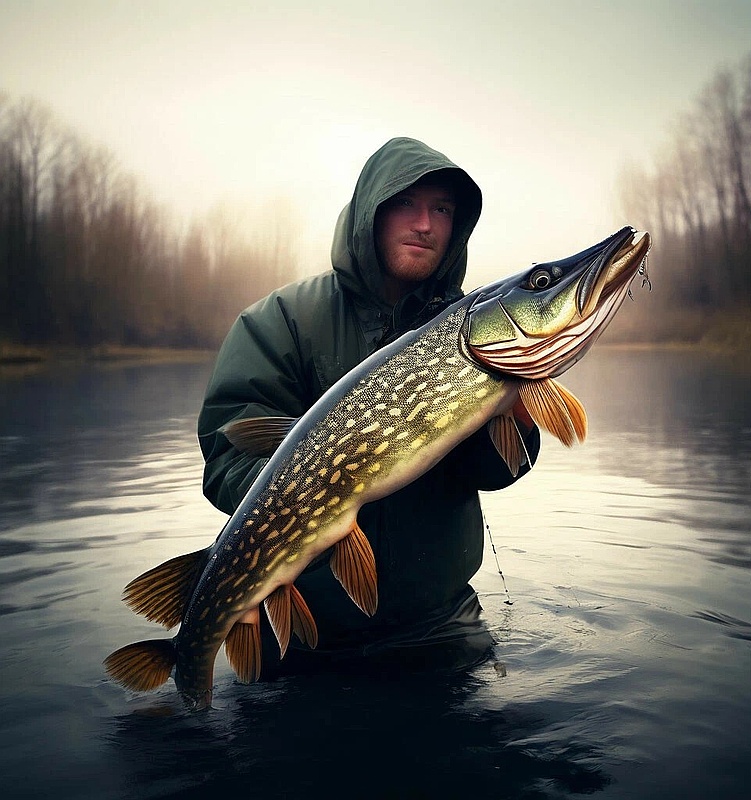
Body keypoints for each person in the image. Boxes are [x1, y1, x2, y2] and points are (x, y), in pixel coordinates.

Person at [197, 137, 541, 677]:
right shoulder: (281, 320)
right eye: (406, 203)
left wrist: (514, 401)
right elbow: (226, 457)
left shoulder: (472, 327)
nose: (425, 223)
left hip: (441, 623)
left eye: (443, 209)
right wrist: (313, 493)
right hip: (307, 633)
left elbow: (499, 472)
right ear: (370, 215)